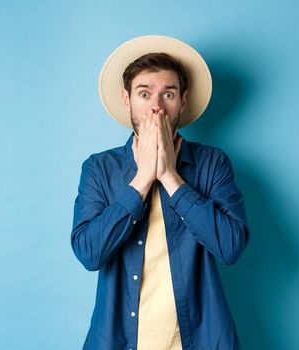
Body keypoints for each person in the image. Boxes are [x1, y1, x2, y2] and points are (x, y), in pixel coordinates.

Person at [71, 35, 250, 350]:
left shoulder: (212, 163)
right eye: (144, 94)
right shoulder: (100, 169)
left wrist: (169, 176)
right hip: (119, 340)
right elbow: (89, 253)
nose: (156, 107)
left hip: (200, 339)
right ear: (127, 100)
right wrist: (142, 179)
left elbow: (231, 247)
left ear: (182, 101)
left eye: (167, 94)